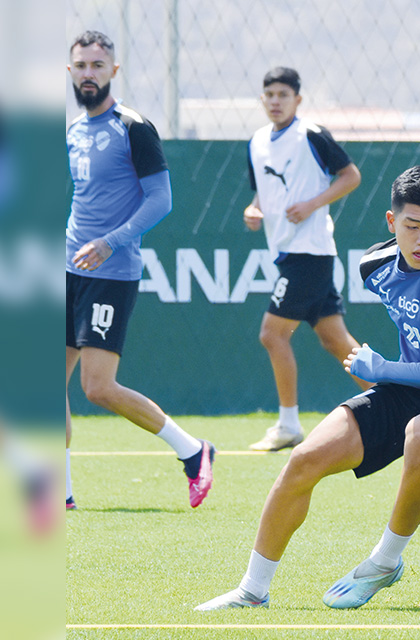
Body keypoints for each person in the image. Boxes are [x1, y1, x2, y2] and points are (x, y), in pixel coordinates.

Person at [196, 165, 420, 610]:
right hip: (413, 391)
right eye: (412, 226)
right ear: (391, 222)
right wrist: (391, 375)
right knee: (305, 459)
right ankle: (252, 591)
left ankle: (384, 562)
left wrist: (384, 368)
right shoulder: (374, 266)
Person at [65, 30, 214, 510]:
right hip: (69, 269)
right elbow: (82, 201)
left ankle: (192, 451)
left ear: (114, 71)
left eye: (97, 65)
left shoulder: (133, 126)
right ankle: (58, 492)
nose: (89, 73)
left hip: (112, 271)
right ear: (70, 72)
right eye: (81, 65)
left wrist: (110, 243)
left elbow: (162, 200)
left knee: (97, 387)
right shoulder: (74, 130)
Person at [244, 67, 369, 452]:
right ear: (262, 100)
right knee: (336, 340)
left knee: (272, 333)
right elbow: (264, 190)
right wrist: (254, 208)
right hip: (287, 253)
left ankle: (288, 424)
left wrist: (313, 204)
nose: (276, 101)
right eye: (270, 95)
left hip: (310, 253)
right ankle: (399, 402)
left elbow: (350, 176)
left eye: (284, 94)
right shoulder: (258, 141)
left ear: (298, 99)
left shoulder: (310, 134)